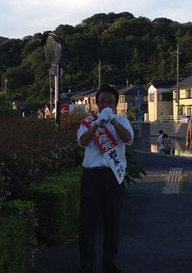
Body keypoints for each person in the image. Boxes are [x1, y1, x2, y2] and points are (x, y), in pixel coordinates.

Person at [77, 84, 134, 273]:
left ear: (116, 104)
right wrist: (98, 124)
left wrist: (113, 122)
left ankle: (109, 263)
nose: (107, 105)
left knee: (112, 221)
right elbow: (83, 142)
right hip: (92, 177)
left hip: (113, 176)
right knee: (87, 222)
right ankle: (86, 264)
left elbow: (127, 139)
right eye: (103, 102)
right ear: (96, 103)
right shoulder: (87, 122)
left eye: (111, 101)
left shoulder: (123, 121)